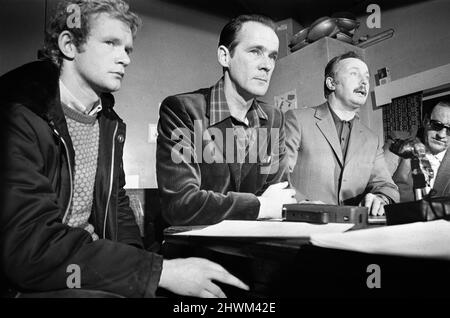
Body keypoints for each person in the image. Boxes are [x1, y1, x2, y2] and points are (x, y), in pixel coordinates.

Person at [0, 0, 248, 298]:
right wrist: (158, 272)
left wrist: (146, 273)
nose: (125, 59)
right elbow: (29, 247)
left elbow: (118, 209)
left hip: (80, 262)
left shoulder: (109, 123)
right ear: (68, 45)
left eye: (128, 49)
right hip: (28, 278)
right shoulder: (18, 114)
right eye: (111, 43)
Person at [156, 15, 296, 226]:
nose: (267, 65)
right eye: (255, 51)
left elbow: (280, 195)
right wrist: (262, 206)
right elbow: (181, 204)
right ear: (224, 56)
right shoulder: (183, 110)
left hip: (257, 250)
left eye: (272, 56)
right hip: (198, 252)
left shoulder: (274, 119)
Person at [285, 52, 399, 216]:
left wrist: (381, 198)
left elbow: (387, 186)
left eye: (366, 77)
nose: (364, 81)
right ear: (331, 83)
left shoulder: (371, 139)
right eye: (354, 73)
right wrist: (303, 204)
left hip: (353, 232)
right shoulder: (297, 119)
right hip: (304, 225)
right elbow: (277, 176)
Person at [386, 100, 450, 201]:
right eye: (437, 125)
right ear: (425, 121)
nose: (441, 135)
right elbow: (380, 182)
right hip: (402, 215)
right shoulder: (399, 141)